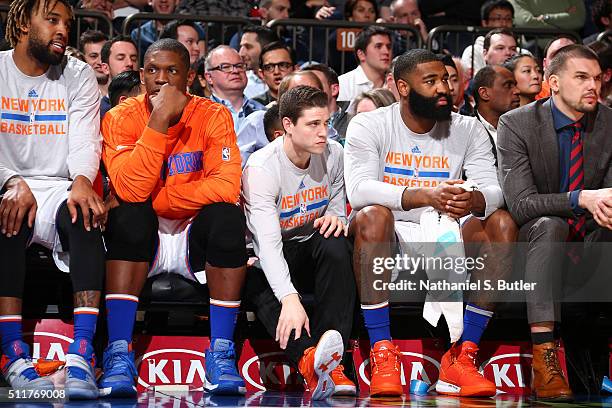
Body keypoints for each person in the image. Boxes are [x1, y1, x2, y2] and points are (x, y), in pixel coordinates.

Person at [345, 49, 511, 397]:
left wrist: (474, 199)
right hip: (390, 232)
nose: (443, 89)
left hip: (445, 226)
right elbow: (359, 190)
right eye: (431, 81)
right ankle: (382, 352)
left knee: (503, 224)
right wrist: (424, 195)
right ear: (403, 87)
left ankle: (462, 356)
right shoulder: (370, 123)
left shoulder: (468, 128)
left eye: (447, 80)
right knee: (374, 214)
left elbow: (493, 188)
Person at [100, 39, 248, 397]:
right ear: (140, 74)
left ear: (191, 77)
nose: (161, 80)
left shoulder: (213, 115)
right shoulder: (120, 117)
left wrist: (162, 199)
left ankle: (222, 353)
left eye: (172, 71)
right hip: (143, 237)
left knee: (228, 217)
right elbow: (132, 189)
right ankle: (118, 351)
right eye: (152, 70)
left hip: (193, 236)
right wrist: (159, 119)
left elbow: (227, 186)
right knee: (130, 215)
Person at [1, 0, 105, 399]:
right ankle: (11, 353)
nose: (63, 29)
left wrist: (82, 181)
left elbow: (84, 138)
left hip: (59, 184)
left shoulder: (77, 74)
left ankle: (81, 352)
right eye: (52, 20)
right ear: (24, 23)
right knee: (7, 218)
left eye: (68, 23)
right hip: (9, 184)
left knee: (85, 216)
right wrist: (10, 180)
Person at [498, 44, 612, 401]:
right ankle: (544, 359)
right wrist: (580, 198)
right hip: (535, 242)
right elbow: (520, 205)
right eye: (581, 78)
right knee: (551, 224)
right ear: (554, 83)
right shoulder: (517, 123)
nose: (592, 86)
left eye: (596, 78)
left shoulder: (609, 123)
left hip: (592, 239)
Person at [242, 86, 356, 400]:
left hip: (308, 251)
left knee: (335, 243)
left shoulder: (334, 153)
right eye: (313, 124)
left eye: (326, 123)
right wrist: (290, 298)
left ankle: (335, 363)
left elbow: (334, 209)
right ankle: (308, 360)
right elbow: (267, 244)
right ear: (288, 126)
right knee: (253, 276)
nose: (323, 133)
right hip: (267, 257)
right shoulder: (262, 168)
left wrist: (338, 218)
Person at [237, 71, 324, 166]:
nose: (308, 98)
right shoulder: (258, 121)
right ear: (282, 98)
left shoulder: (325, 125)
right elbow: (238, 164)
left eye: (314, 93)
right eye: (299, 92)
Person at [205, 45, 265, 133]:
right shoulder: (199, 114)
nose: (235, 71)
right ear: (209, 77)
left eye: (239, 66)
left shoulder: (262, 112)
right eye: (225, 67)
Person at [472, 65, 520, 155]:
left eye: (515, 85)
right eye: (508, 85)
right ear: (484, 93)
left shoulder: (524, 128)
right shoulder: (465, 131)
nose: (517, 91)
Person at [460, 0, 515, 77]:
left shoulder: (523, 52)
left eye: (508, 19)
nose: (504, 23)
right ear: (485, 23)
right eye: (498, 19)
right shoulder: (473, 51)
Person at [337, 26, 392, 102]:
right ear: (361, 54)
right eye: (378, 46)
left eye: (388, 47)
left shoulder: (394, 83)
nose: (386, 52)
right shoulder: (344, 84)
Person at [100, 36, 139, 118]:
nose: (130, 63)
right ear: (105, 68)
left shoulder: (149, 104)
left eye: (134, 59)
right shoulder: (97, 111)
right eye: (121, 58)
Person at [238, 25, 279, 98]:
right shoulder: (238, 81)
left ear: (266, 48)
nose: (241, 53)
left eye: (248, 47)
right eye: (241, 47)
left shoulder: (287, 81)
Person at [253, 42, 297, 106]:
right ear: (261, 74)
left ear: (295, 69)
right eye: (269, 67)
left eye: (283, 65)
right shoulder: (254, 106)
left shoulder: (306, 102)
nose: (277, 72)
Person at [537, 35, 578, 99]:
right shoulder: (535, 92)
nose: (561, 62)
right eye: (555, 57)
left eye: (570, 56)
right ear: (544, 64)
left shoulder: (590, 88)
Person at [79, 30, 109, 98]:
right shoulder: (78, 94)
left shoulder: (121, 92)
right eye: (93, 56)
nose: (100, 62)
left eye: (103, 55)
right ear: (83, 59)